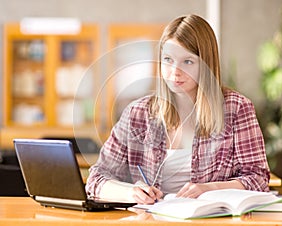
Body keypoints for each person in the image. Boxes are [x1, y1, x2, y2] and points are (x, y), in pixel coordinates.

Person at [86, 14, 270, 204]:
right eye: (168, 59)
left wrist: (208, 188)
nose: (175, 72)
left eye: (187, 62)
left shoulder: (236, 108)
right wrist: (131, 192)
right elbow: (96, 179)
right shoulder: (137, 113)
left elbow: (258, 179)